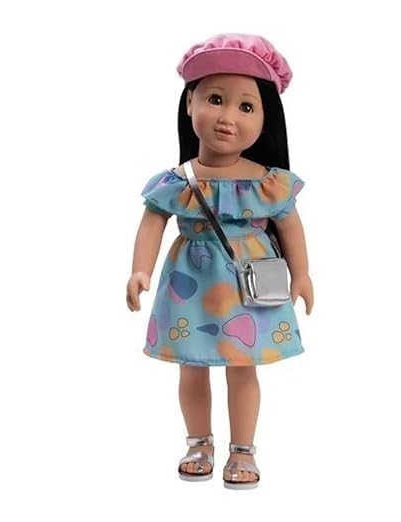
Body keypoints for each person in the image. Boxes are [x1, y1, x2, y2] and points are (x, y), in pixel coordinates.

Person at [126, 33, 314, 490]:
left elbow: (290, 225)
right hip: (189, 282)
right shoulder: (176, 181)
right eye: (215, 99)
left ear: (265, 120)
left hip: (249, 289)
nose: (228, 117)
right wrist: (139, 270)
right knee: (192, 365)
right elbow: (152, 223)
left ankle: (243, 448)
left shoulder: (268, 182)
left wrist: (303, 273)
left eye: (246, 106)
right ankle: (199, 442)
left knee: (242, 368)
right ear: (190, 101)